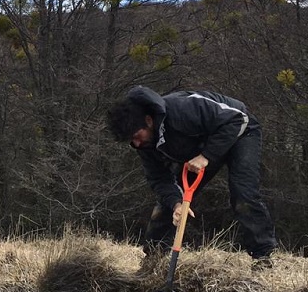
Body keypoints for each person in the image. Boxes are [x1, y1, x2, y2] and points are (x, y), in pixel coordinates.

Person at [105, 85, 276, 270]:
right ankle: (153, 260)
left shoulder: (182, 108)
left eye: (137, 136)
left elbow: (237, 118)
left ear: (148, 121)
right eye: (131, 141)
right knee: (167, 206)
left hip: (240, 132)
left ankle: (262, 257)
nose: (136, 143)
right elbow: (159, 179)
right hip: (202, 149)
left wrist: (207, 156)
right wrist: (177, 204)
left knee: (243, 192)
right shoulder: (144, 145)